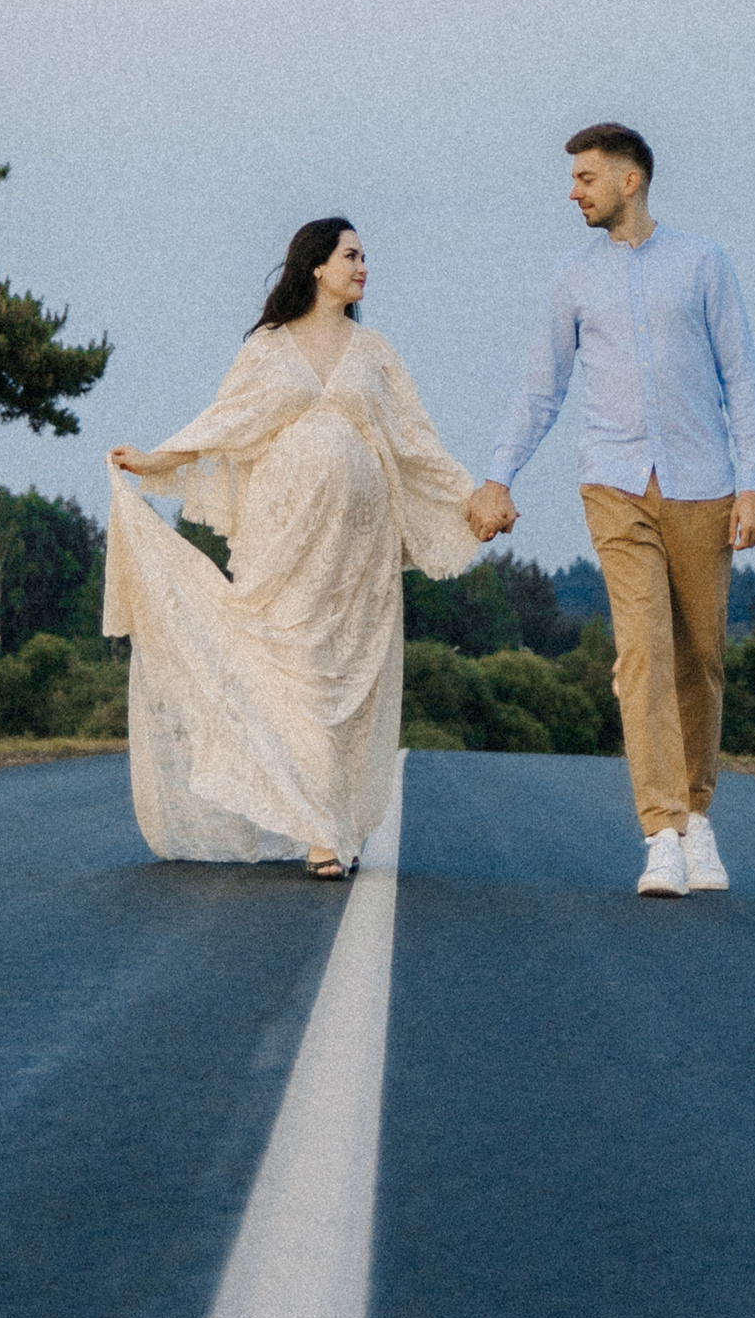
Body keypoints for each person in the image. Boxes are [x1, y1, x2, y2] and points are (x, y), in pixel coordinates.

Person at [102, 217, 488, 877]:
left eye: (365, 257)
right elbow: (226, 423)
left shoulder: (375, 353)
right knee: (301, 672)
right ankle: (319, 826)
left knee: (350, 682)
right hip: (286, 543)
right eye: (351, 255)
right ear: (316, 264)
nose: (364, 267)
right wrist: (154, 458)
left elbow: (415, 442)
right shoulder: (270, 348)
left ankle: (332, 824)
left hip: (360, 553)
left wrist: (473, 499)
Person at [467, 124, 755, 900]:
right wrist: (499, 476)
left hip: (703, 484)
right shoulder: (572, 279)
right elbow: (542, 388)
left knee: (700, 658)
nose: (574, 191)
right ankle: (661, 831)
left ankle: (698, 817)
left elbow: (742, 377)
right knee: (641, 652)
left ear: (629, 180)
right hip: (613, 484)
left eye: (586, 177)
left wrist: (754, 483)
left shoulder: (703, 263)